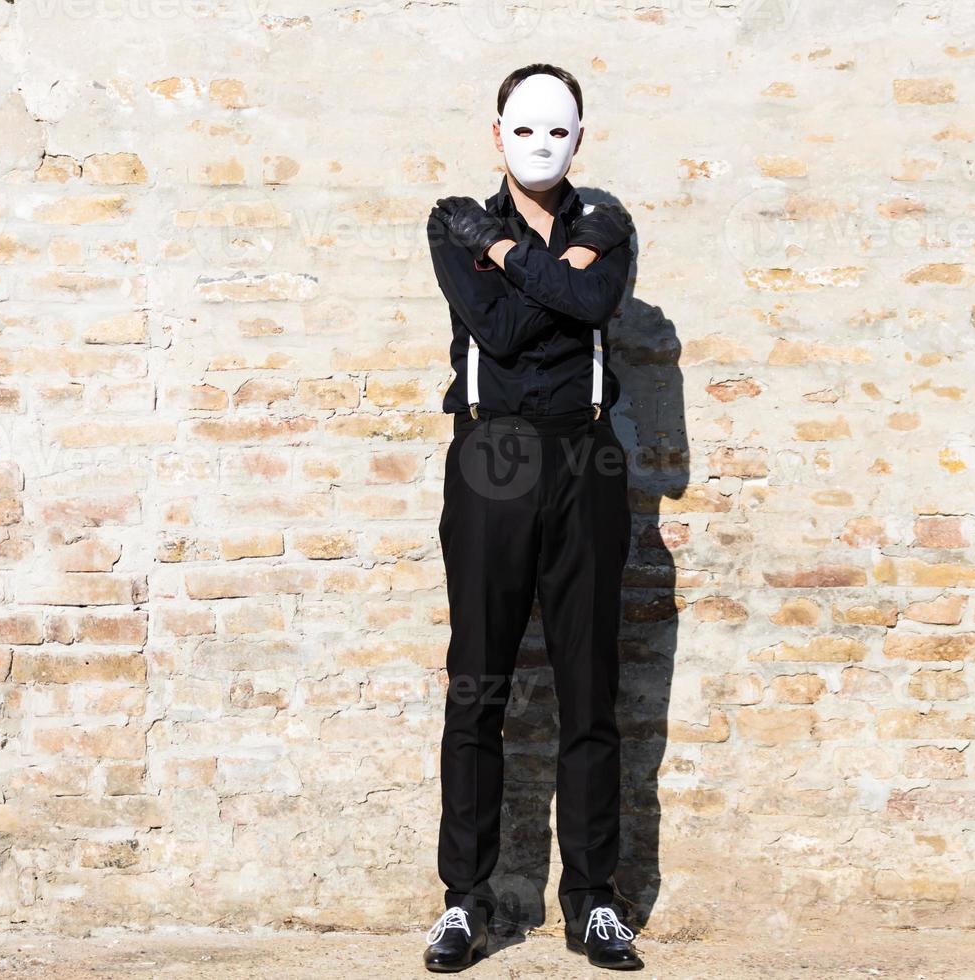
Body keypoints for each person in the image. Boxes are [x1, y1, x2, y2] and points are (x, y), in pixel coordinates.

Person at [420, 63, 642, 973]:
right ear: (497, 133)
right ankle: (466, 903)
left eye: (558, 131)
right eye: (525, 130)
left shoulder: (607, 221)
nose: (541, 145)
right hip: (492, 454)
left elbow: (589, 304)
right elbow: (504, 335)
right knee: (478, 684)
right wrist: (541, 280)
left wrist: (508, 257)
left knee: (590, 687)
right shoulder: (450, 222)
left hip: (584, 456)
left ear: (580, 137)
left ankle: (592, 901)